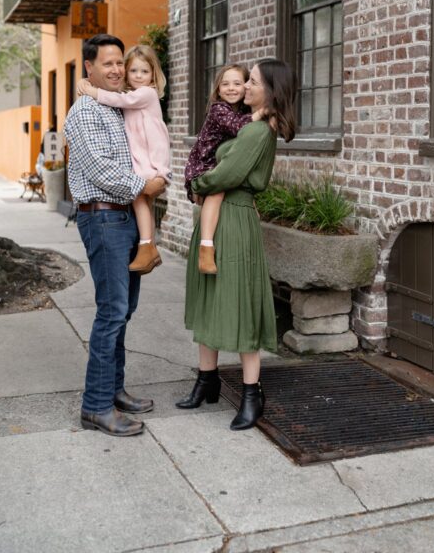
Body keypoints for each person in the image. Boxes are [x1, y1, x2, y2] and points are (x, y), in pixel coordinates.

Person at [176, 59, 297, 430]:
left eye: (253, 82)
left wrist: (197, 185)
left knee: (240, 302)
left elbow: (227, 174)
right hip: (219, 217)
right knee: (210, 297)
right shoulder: (248, 126)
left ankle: (251, 393)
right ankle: (207, 381)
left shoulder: (258, 132)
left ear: (270, 91)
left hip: (236, 218)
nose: (244, 87)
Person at [65, 34, 168, 437]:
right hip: (103, 218)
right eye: (105, 63)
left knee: (124, 311)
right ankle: (95, 406)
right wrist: (148, 186)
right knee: (111, 311)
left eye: (118, 63)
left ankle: (114, 390)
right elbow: (99, 170)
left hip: (125, 217)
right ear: (88, 67)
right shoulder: (85, 110)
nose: (114, 69)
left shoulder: (117, 104)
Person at [77, 44, 171, 274]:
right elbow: (119, 98)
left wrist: (92, 91)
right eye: (134, 71)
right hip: (142, 157)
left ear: (153, 75)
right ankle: (149, 247)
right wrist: (84, 82)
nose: (139, 76)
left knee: (139, 197)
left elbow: (121, 101)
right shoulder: (129, 95)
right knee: (143, 202)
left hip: (149, 157)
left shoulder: (145, 94)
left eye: (145, 72)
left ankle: (147, 246)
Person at [183, 64, 260, 275]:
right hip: (203, 165)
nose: (231, 88)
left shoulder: (243, 111)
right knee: (217, 190)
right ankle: (206, 247)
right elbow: (236, 126)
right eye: (225, 84)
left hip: (220, 165)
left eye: (237, 83)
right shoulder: (219, 109)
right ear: (218, 89)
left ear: (246, 86)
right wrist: (262, 114)